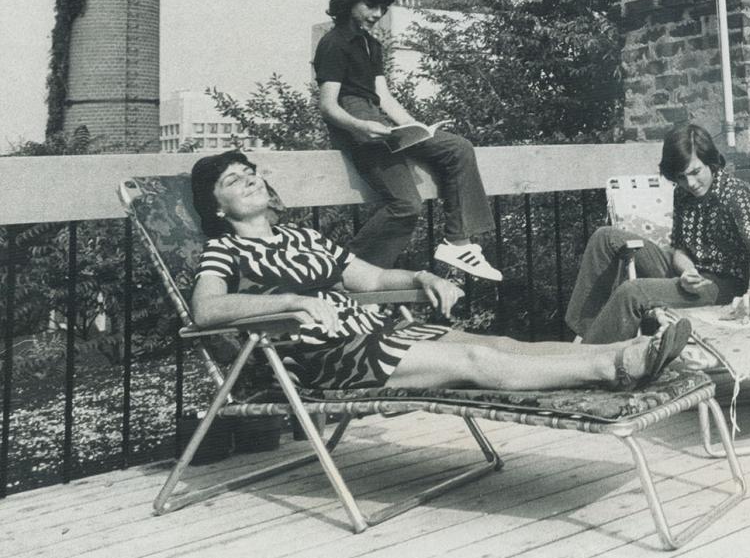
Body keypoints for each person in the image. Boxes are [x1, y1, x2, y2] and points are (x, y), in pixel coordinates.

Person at [187, 150, 691, 393]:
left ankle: (628, 350)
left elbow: (371, 279)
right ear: (217, 206)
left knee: (501, 344)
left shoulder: (301, 237)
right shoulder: (224, 250)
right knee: (472, 357)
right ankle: (614, 367)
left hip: (371, 331)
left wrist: (420, 278)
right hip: (314, 356)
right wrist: (292, 302)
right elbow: (206, 309)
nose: (249, 180)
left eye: (250, 172)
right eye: (234, 180)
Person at [312, 0, 501, 280]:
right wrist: (360, 127)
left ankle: (458, 240)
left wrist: (420, 129)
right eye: (370, 5)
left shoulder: (373, 46)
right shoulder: (333, 43)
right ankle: (346, 272)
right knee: (406, 205)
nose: (377, 14)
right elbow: (328, 105)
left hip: (379, 120)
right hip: (357, 122)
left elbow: (385, 98)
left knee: (458, 148)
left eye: (383, 7)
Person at [565, 124, 750, 344]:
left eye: (695, 172)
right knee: (605, 237)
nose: (690, 183)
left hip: (723, 286)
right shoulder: (682, 193)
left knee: (632, 292)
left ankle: (592, 360)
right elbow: (680, 250)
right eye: (681, 177)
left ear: (710, 162)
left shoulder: (735, 195)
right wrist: (688, 271)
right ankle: (583, 335)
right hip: (692, 274)